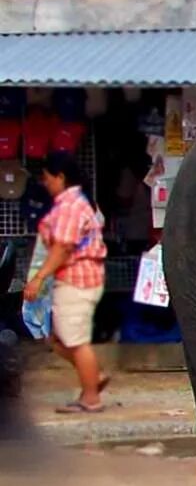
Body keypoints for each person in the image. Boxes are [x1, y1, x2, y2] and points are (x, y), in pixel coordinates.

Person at [22, 153, 109, 414]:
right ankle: (93, 376)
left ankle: (91, 397)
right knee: (58, 338)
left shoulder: (70, 206)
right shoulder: (74, 203)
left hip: (77, 280)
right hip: (73, 279)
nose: (45, 184)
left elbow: (62, 247)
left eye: (48, 179)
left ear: (60, 177)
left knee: (74, 341)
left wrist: (38, 278)